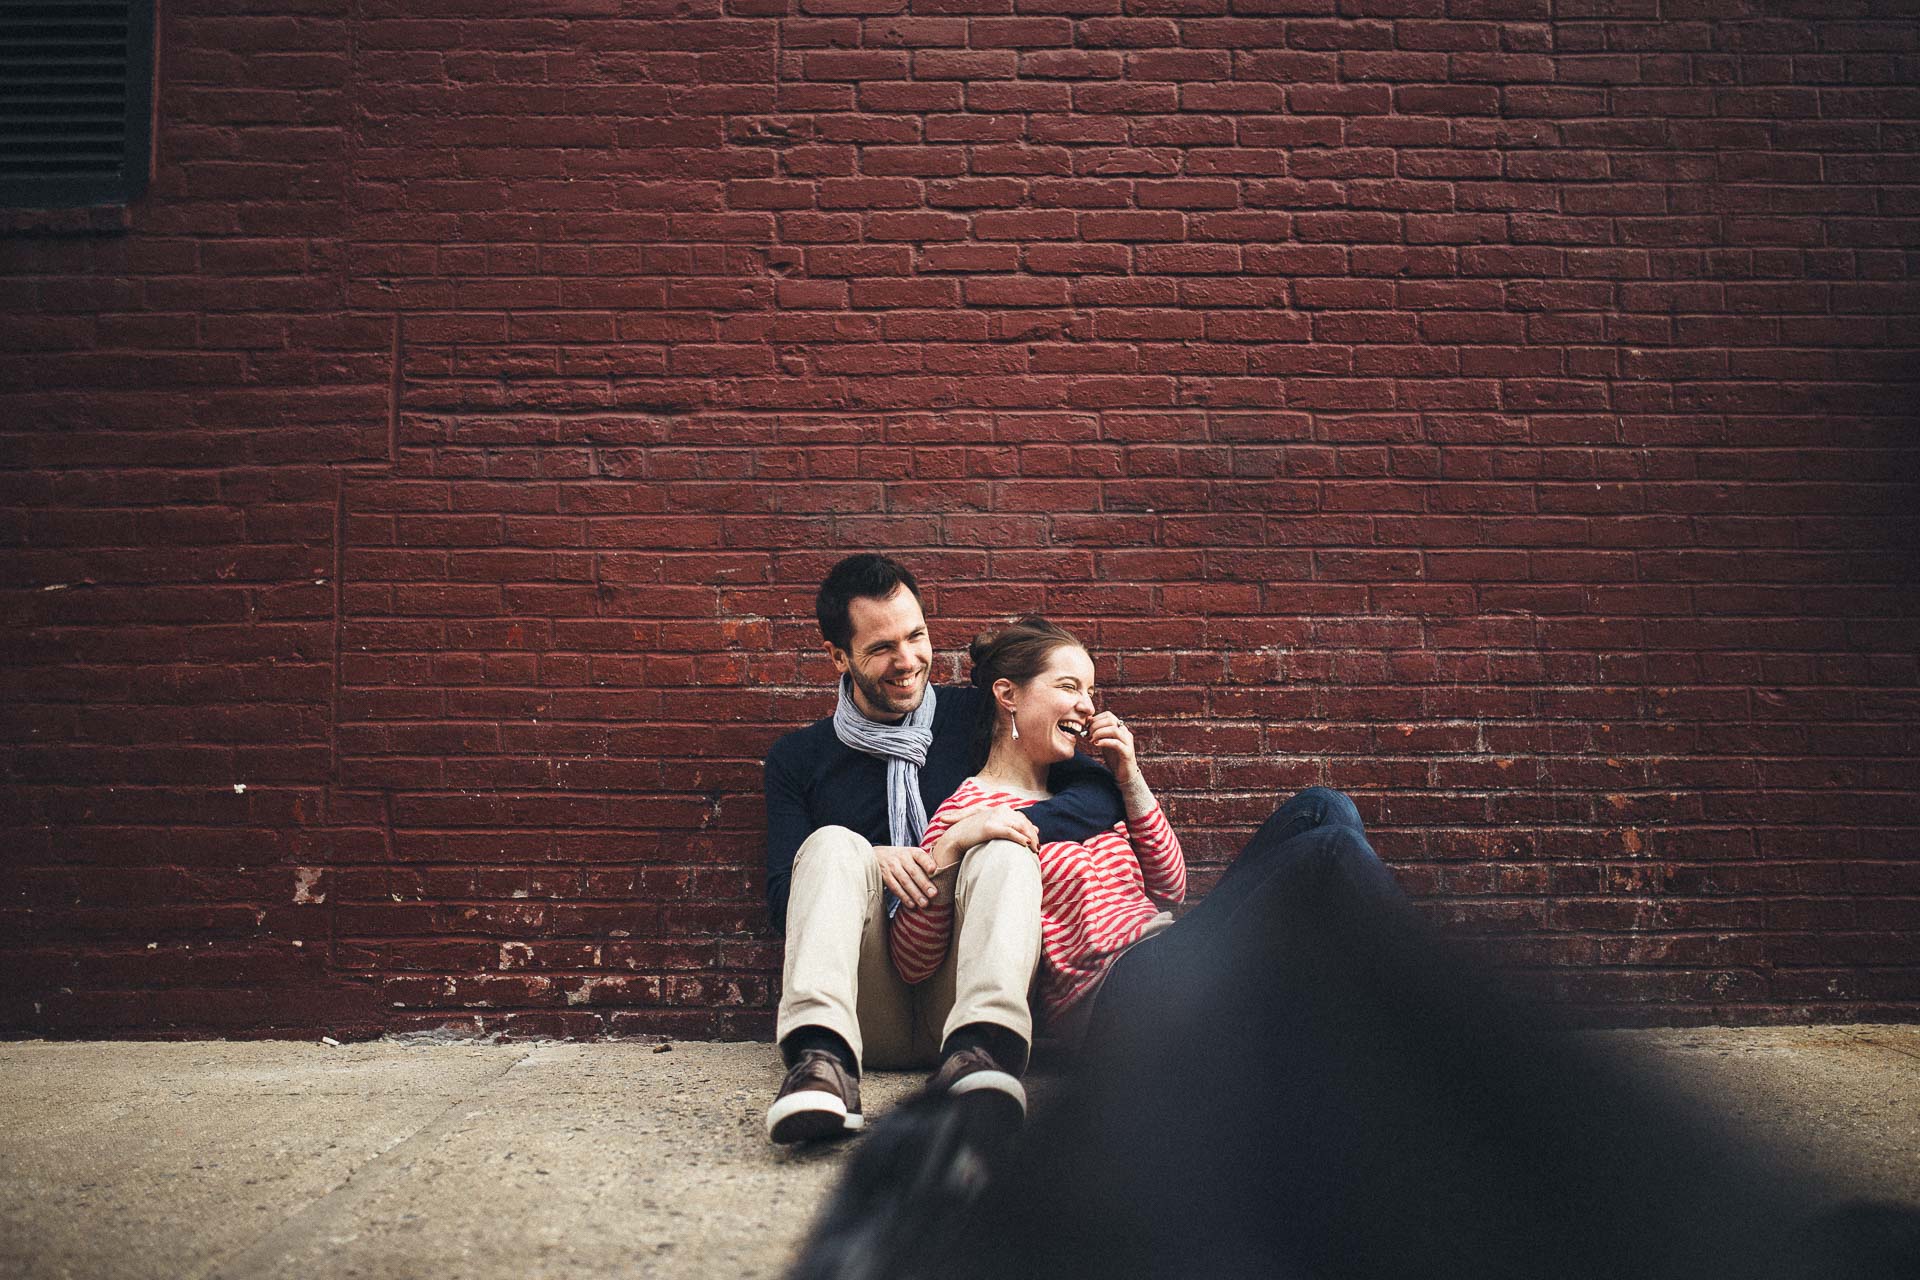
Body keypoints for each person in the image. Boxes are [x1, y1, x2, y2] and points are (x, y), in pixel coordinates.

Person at [890, 615, 1396, 1055]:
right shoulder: (969, 809)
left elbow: (1170, 889)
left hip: (1163, 954)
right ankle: (1406, 1007)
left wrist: (1129, 776)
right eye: (1069, 687)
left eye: (1089, 691)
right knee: (1328, 852)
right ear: (1008, 695)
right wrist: (952, 844)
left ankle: (1366, 1012)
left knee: (1325, 808)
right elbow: (913, 961)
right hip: (1109, 996)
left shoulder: (1088, 789)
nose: (1087, 706)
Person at [762, 557, 1126, 1144]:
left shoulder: (976, 716)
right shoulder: (797, 759)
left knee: (1003, 847)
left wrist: (974, 831)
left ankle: (982, 1054)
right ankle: (822, 1064)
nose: (908, 661)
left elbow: (1098, 793)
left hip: (960, 989)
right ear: (839, 657)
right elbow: (784, 900)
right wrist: (872, 860)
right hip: (865, 1005)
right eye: (882, 648)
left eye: (916, 636)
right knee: (830, 844)